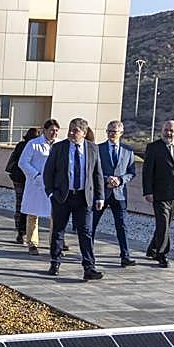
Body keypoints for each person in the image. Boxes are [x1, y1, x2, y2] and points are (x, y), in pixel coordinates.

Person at [43, 117, 105, 281]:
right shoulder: (59, 148)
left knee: (86, 232)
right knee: (58, 230)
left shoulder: (92, 149)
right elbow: (48, 171)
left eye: (75, 130)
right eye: (70, 129)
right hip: (63, 196)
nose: (71, 133)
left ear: (84, 133)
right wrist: (50, 192)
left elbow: (97, 173)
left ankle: (89, 267)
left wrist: (100, 196)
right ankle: (55, 262)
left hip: (84, 197)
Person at [142, 119, 174, 268]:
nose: (168, 133)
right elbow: (147, 172)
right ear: (161, 131)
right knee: (163, 223)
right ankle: (162, 254)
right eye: (166, 130)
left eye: (171, 130)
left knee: (165, 223)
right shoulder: (153, 148)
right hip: (159, 194)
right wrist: (148, 192)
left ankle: (152, 248)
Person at [92, 120, 138, 267]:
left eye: (115, 131)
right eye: (109, 131)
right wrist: (106, 179)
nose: (112, 134)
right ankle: (87, 252)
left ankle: (125, 255)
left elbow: (131, 173)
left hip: (119, 194)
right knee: (91, 224)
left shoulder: (128, 151)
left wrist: (120, 179)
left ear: (121, 133)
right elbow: (93, 170)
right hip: (101, 193)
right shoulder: (98, 149)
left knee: (122, 225)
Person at [16, 119, 59, 254]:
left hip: (53, 185)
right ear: (44, 130)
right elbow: (23, 162)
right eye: (51, 130)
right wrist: (36, 175)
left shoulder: (59, 145)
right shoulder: (33, 144)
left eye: (56, 131)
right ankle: (32, 243)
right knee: (33, 214)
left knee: (55, 215)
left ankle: (55, 243)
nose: (54, 133)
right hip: (36, 185)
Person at [5, 127, 40, 245]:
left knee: (20, 204)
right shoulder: (34, 147)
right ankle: (24, 231)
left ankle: (20, 232)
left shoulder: (21, 145)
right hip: (27, 179)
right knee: (29, 206)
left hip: (17, 178)